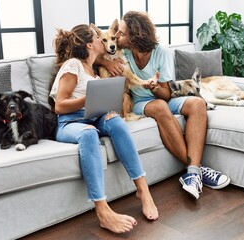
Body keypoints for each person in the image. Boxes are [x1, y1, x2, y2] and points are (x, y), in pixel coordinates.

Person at [96, 11, 230, 200]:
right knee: (159, 107)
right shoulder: (120, 50)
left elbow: (166, 95)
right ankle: (196, 170)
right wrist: (106, 63)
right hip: (139, 103)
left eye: (122, 34)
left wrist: (155, 87)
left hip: (160, 95)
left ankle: (192, 173)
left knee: (198, 104)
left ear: (135, 37)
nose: (117, 36)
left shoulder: (162, 53)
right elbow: (92, 54)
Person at [48, 24, 159, 234]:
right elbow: (59, 106)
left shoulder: (94, 69)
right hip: (69, 123)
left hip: (93, 117)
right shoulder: (73, 66)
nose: (103, 40)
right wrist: (87, 98)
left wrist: (108, 109)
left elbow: (97, 102)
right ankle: (103, 211)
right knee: (89, 134)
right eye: (98, 38)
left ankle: (143, 191)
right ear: (90, 44)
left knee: (116, 121)